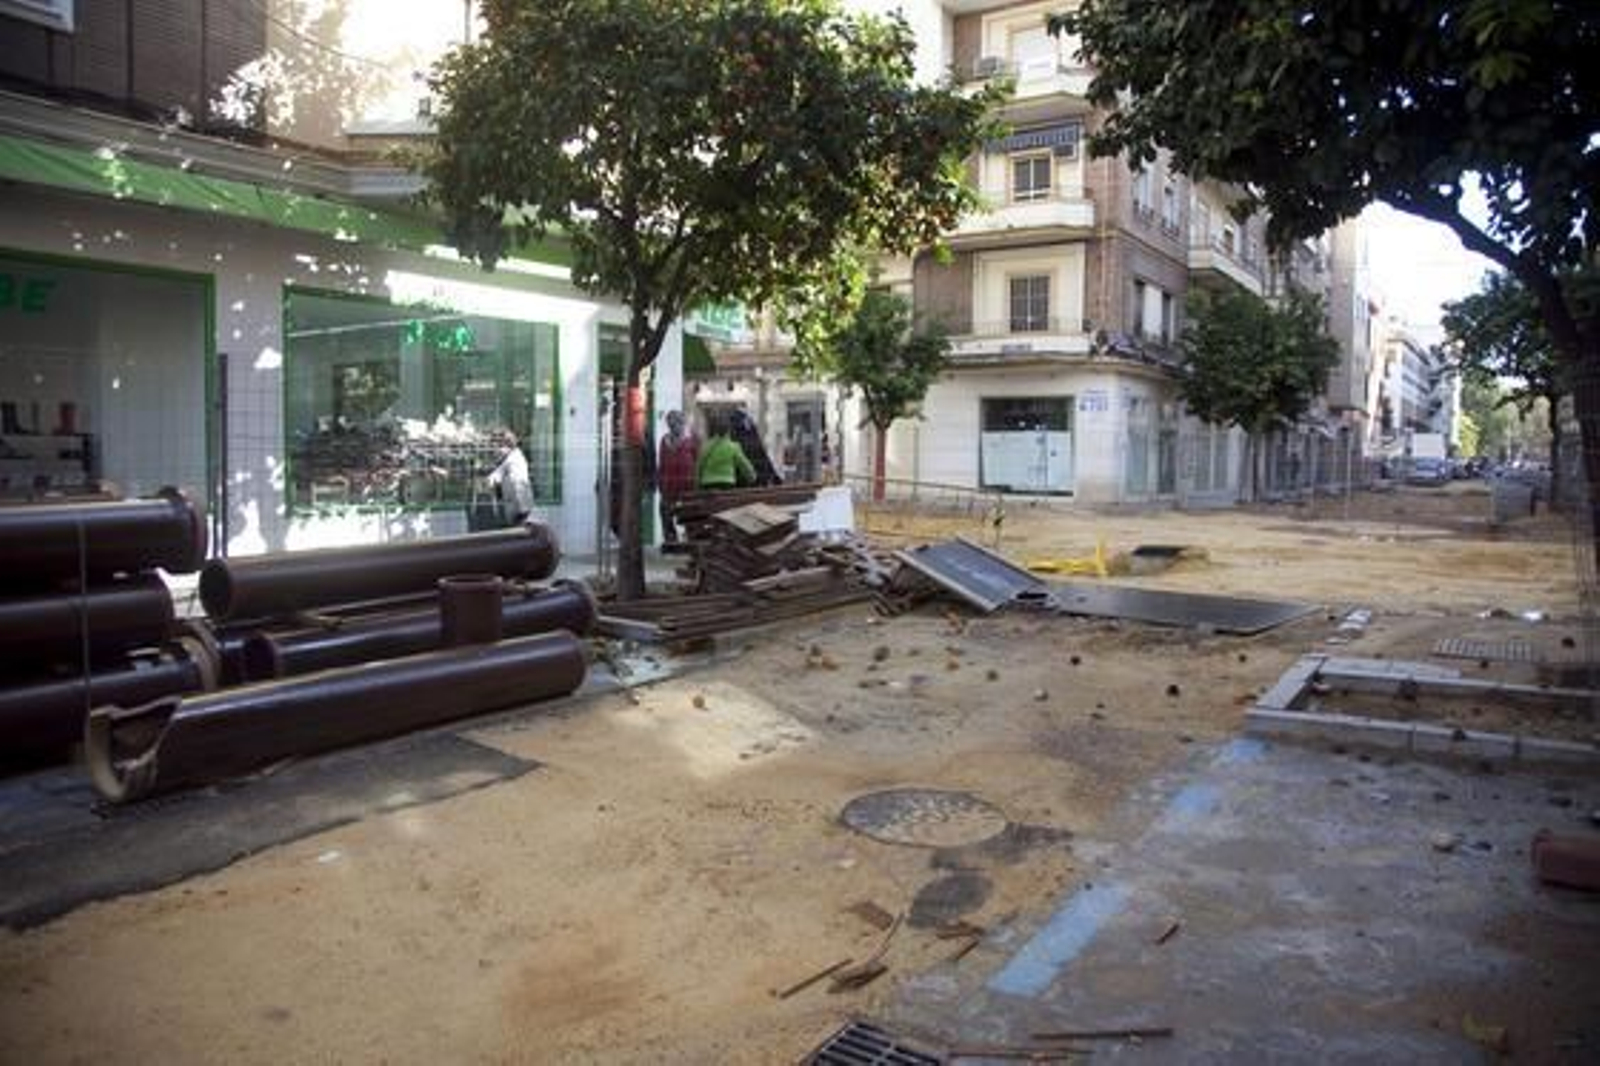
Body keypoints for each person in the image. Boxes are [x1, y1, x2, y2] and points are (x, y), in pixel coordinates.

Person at [656, 410, 699, 543]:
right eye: (670, 423)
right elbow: (661, 462)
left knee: (690, 513)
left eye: (675, 422)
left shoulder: (692, 438)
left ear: (682, 423)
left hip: (687, 484)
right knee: (665, 511)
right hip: (668, 484)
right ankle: (670, 539)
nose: (673, 426)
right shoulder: (664, 440)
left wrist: (697, 480)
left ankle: (691, 538)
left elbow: (698, 460)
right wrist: (660, 481)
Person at [695, 409, 756, 490]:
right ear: (729, 430)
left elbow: (699, 466)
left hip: (707, 485)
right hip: (727, 484)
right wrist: (752, 477)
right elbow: (745, 466)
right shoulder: (733, 447)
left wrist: (697, 484)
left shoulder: (706, 446)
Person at [486, 430, 533, 525]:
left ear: (506, 446)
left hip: (518, 509)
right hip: (520, 507)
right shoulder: (515, 457)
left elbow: (494, 479)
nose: (496, 451)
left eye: (498, 447)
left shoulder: (513, 460)